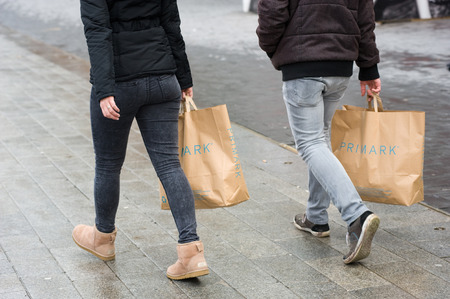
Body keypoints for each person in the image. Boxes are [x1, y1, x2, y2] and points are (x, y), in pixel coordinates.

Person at [72, 0, 209, 280]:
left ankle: (103, 238)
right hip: (163, 79)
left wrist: (104, 89)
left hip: (120, 83)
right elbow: (172, 23)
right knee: (170, 164)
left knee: (109, 164)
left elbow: (97, 31)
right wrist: (183, 77)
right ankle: (191, 252)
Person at [256, 0, 381, 264]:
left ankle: (357, 216)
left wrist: (274, 48)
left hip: (303, 64)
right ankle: (316, 217)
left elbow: (272, 13)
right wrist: (369, 67)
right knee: (320, 140)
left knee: (310, 143)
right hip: (340, 65)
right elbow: (366, 17)